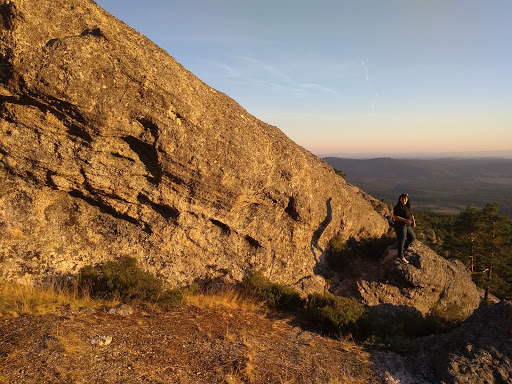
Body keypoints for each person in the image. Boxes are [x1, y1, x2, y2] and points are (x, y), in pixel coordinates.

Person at [393, 193, 416, 263]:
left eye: (405, 198)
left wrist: (414, 222)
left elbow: (411, 214)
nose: (404, 200)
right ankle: (400, 256)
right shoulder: (398, 207)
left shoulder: (407, 206)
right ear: (400, 199)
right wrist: (405, 220)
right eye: (403, 198)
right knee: (401, 239)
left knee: (412, 238)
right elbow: (395, 217)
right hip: (400, 225)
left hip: (408, 225)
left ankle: (404, 248)